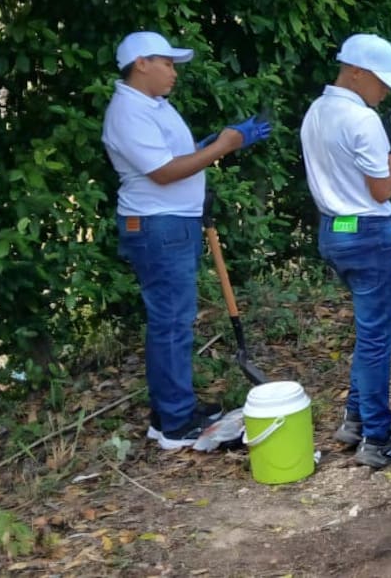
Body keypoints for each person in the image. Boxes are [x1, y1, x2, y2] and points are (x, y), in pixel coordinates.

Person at [103, 31, 272, 450]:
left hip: (172, 223)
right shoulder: (129, 111)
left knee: (175, 320)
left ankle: (172, 411)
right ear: (141, 63)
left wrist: (216, 143)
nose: (173, 72)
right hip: (157, 225)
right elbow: (163, 172)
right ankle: (175, 425)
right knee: (171, 322)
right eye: (167, 63)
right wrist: (223, 147)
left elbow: (175, 155)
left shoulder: (154, 106)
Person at [300, 33, 391, 467]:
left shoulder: (316, 112)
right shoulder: (363, 119)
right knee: (376, 339)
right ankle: (376, 437)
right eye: (381, 80)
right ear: (356, 72)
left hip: (334, 231)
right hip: (370, 235)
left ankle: (354, 421)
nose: (386, 90)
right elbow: (382, 189)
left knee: (368, 333)